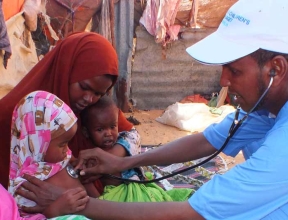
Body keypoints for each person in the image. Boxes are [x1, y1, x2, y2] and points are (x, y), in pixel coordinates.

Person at [16, 0, 288, 219]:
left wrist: (73, 205)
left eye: (234, 70)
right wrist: (125, 163)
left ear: (275, 69)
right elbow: (208, 140)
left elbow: (190, 213)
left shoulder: (282, 152)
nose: (223, 82)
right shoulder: (266, 108)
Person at [0, 31, 140, 189]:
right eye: (84, 87)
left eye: (98, 94)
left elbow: (132, 135)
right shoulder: (15, 114)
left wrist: (108, 160)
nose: (89, 99)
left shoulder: (96, 108)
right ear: (66, 69)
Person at [81, 95, 193, 201]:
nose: (108, 133)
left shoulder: (121, 140)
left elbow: (135, 163)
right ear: (86, 132)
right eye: (100, 130)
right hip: (114, 198)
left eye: (113, 127)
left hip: (135, 189)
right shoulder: (90, 158)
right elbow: (88, 184)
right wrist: (101, 207)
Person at [8, 91, 90, 218]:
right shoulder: (27, 185)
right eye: (63, 144)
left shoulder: (61, 159)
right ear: (38, 143)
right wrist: (54, 211)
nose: (67, 150)